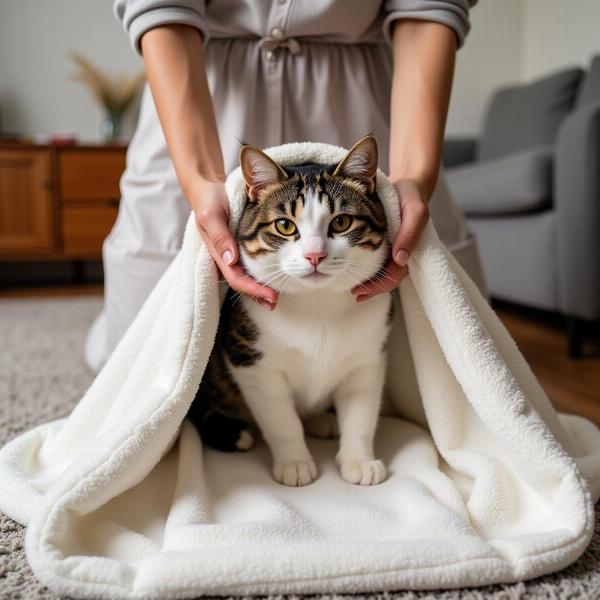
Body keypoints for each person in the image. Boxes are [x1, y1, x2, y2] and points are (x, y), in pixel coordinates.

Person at [85, 0, 485, 372]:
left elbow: (428, 9)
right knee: (140, 371)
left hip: (361, 96)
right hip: (198, 96)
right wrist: (201, 179)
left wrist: (412, 177)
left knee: (444, 371)